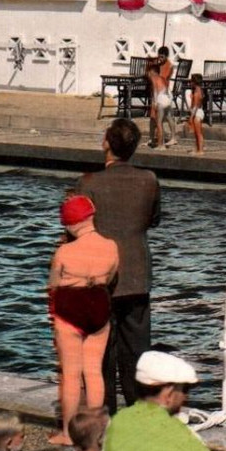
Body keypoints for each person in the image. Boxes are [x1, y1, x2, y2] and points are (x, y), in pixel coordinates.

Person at [75, 119, 161, 412]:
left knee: (100, 351)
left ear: (106, 144)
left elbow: (78, 228)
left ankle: (104, 411)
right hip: (136, 274)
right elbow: (153, 219)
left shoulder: (88, 183)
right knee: (137, 350)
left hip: (98, 276)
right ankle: (139, 411)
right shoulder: (149, 179)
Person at [49, 195, 120, 444]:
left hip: (71, 308)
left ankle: (69, 433)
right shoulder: (111, 246)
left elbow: (54, 285)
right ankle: (95, 431)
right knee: (94, 371)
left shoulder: (64, 251)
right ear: (91, 216)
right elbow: (110, 277)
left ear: (69, 224)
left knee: (71, 375)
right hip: (99, 306)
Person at [147, 48, 173, 148]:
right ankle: (154, 140)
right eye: (159, 56)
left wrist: (154, 102)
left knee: (159, 122)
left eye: (162, 57)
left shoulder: (166, 67)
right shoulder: (157, 70)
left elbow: (155, 91)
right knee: (157, 120)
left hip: (161, 98)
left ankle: (160, 145)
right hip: (165, 96)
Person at [185, 75, 206, 154]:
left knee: (198, 133)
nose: (190, 83)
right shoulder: (199, 90)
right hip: (199, 111)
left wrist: (191, 117)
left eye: (191, 81)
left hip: (197, 113)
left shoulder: (197, 93)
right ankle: (198, 148)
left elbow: (196, 106)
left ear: (194, 82)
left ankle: (200, 150)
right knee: (197, 133)